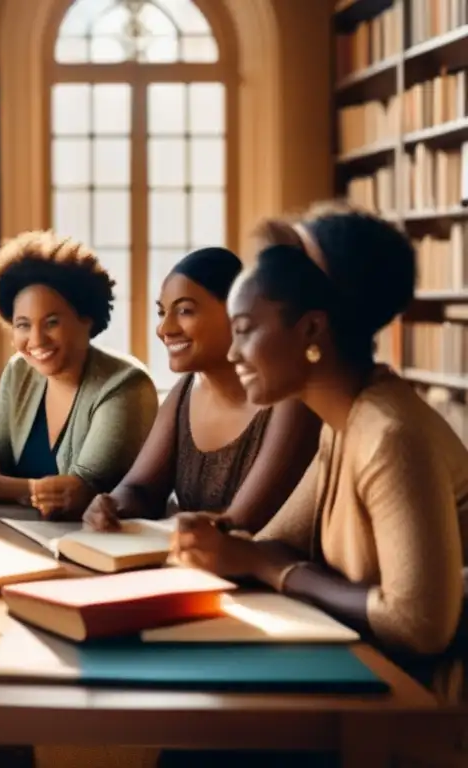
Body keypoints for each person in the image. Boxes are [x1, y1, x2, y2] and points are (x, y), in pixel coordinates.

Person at [169, 206, 468, 764]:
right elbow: (269, 540)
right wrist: (222, 540)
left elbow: (419, 625)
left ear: (311, 330)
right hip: (364, 676)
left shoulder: (391, 435)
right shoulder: (343, 421)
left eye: (245, 330)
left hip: (417, 713)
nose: (232, 353)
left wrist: (267, 566)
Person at [82, 247, 320, 534]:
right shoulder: (184, 392)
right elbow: (141, 487)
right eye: (162, 312)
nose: (164, 328)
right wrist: (111, 506)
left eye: (184, 311)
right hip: (189, 563)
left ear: (237, 313)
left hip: (261, 572)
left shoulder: (287, 398)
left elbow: (245, 521)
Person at [0, 230, 158, 519]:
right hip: (13, 530)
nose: (36, 339)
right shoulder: (20, 370)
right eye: (23, 325)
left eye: (51, 322)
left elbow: (81, 491)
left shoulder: (126, 385)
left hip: (89, 544)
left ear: (86, 318)